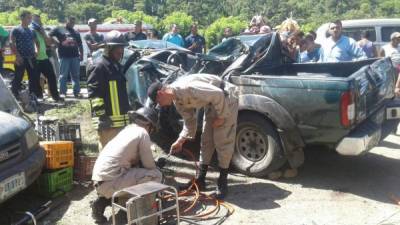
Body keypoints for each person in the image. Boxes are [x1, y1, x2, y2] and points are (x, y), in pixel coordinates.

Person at [147, 74, 239, 200]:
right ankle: (200, 180)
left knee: (223, 140)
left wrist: (221, 117)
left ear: (161, 93)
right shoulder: (177, 101)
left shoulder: (187, 87)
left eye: (159, 102)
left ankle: (222, 182)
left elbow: (218, 93)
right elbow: (190, 122)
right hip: (213, 102)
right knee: (206, 141)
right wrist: (180, 141)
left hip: (226, 98)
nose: (161, 105)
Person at [90, 107, 162, 224]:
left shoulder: (127, 130)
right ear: (149, 125)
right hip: (111, 182)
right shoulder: (142, 132)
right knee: (155, 175)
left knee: (136, 175)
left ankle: (104, 201)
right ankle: (144, 214)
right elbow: (150, 166)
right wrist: (157, 166)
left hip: (100, 180)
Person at [87, 30, 131, 150]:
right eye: (118, 47)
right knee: (108, 155)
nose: (121, 51)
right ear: (108, 48)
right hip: (107, 124)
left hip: (120, 122)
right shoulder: (99, 67)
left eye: (122, 47)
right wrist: (102, 117)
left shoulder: (116, 67)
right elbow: (94, 94)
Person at [10, 10, 42, 99]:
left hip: (31, 58)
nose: (30, 20)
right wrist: (17, 55)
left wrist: (37, 52)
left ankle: (33, 96)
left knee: (33, 77)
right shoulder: (16, 29)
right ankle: (14, 96)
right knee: (18, 77)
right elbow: (11, 43)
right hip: (21, 58)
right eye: (28, 18)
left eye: (30, 18)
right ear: (22, 18)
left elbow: (37, 42)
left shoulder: (32, 31)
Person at [49, 16, 83, 98]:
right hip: (64, 56)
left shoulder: (76, 32)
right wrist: (55, 42)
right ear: (66, 21)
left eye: (73, 22)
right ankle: (62, 92)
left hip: (75, 56)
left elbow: (80, 44)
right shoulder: (59, 29)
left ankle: (76, 92)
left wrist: (81, 54)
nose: (72, 23)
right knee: (63, 75)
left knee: (76, 75)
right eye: (71, 21)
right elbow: (49, 35)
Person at [31, 14, 62, 102]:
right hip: (35, 58)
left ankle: (55, 96)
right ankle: (39, 96)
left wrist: (43, 33)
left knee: (52, 76)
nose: (38, 22)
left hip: (44, 57)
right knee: (36, 79)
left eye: (39, 21)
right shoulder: (31, 30)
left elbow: (48, 43)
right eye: (36, 21)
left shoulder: (41, 31)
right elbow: (34, 43)